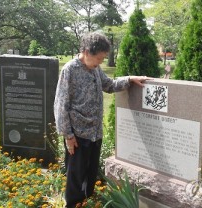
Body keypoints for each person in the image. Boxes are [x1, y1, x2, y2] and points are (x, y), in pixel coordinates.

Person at [53, 32, 150, 207]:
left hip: (95, 133)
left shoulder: (95, 69)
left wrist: (129, 79)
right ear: (86, 52)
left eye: (103, 59)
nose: (100, 63)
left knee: (90, 175)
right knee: (76, 178)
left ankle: (87, 203)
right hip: (77, 136)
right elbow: (61, 105)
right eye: (99, 58)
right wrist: (68, 136)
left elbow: (109, 85)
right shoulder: (70, 70)